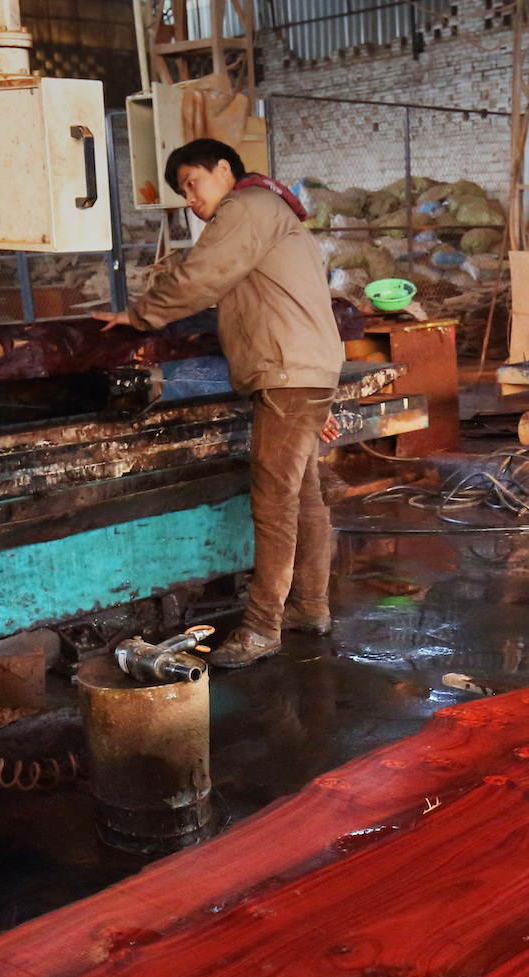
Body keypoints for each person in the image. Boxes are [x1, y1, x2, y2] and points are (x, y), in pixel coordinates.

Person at [95, 138, 343, 669]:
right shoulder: (273, 210)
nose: (190, 198)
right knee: (303, 498)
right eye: (183, 191)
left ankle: (261, 629)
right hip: (305, 369)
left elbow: (202, 277)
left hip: (287, 374)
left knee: (275, 504)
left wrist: (139, 317)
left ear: (225, 170)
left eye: (192, 183)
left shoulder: (245, 207)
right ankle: (309, 609)